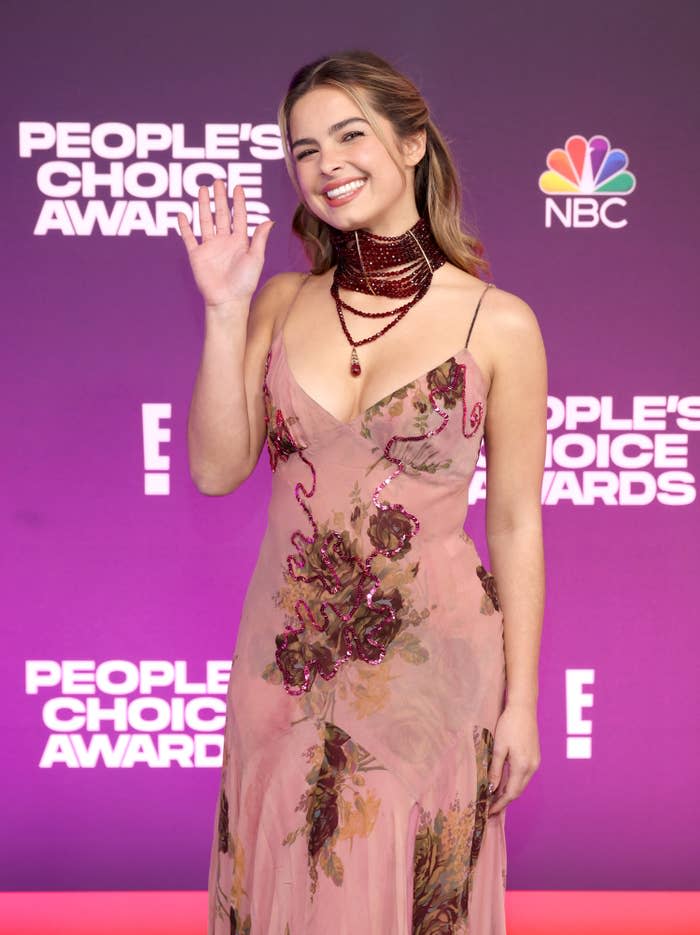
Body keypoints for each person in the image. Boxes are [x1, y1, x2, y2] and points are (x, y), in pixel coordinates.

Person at [178, 49, 546, 935]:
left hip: (434, 669)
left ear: (413, 143)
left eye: (350, 134)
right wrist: (225, 310)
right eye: (303, 149)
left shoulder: (496, 322)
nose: (326, 163)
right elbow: (215, 469)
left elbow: (517, 521)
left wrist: (524, 701)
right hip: (285, 662)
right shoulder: (278, 301)